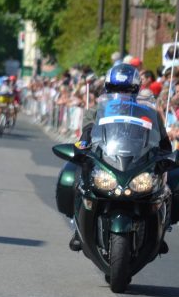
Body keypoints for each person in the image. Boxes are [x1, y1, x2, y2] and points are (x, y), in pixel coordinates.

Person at [69, 63, 173, 253]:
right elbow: (86, 135)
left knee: (174, 177)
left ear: (136, 89)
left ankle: (161, 228)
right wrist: (81, 147)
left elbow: (164, 143)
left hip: (138, 162)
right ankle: (77, 228)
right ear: (108, 89)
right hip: (106, 159)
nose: (122, 94)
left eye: (126, 89)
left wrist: (166, 155)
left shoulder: (149, 113)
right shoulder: (95, 111)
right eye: (116, 89)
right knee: (73, 172)